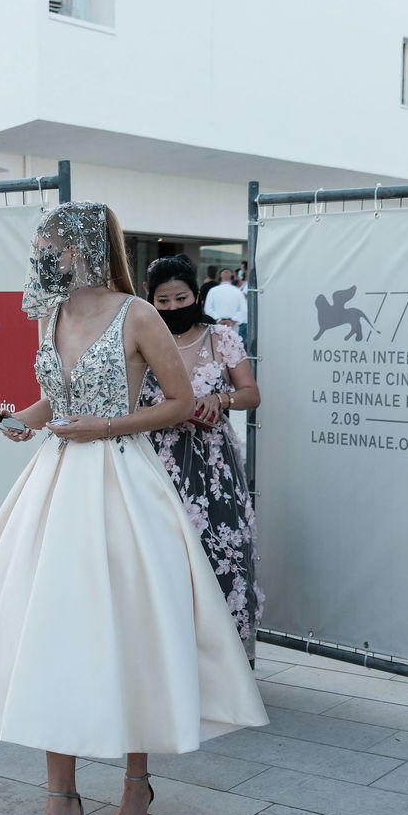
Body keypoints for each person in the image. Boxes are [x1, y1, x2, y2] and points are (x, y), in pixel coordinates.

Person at [0, 202, 268, 815]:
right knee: (51, 632)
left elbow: (179, 403)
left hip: (122, 483)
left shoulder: (138, 314)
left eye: (52, 244)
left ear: (83, 248)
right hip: (56, 483)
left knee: (131, 631)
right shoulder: (48, 313)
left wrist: (103, 427)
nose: (42, 254)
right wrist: (24, 418)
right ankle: (61, 799)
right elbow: (60, 394)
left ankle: (135, 786)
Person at [139, 255, 264, 664]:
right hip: (156, 459)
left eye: (181, 298)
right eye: (163, 300)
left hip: (214, 464)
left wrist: (221, 399)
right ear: (149, 298)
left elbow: (251, 394)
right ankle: (168, 662)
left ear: (197, 295)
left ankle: (225, 665)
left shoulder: (220, 337)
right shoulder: (141, 339)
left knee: (221, 552)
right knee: (163, 556)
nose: (173, 307)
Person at [203, 268, 248, 347]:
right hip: (233, 328)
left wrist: (219, 320)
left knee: (217, 348)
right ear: (232, 278)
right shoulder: (238, 292)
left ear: (219, 277)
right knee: (233, 350)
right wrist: (232, 321)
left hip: (216, 327)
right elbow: (244, 310)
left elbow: (208, 309)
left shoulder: (212, 291)